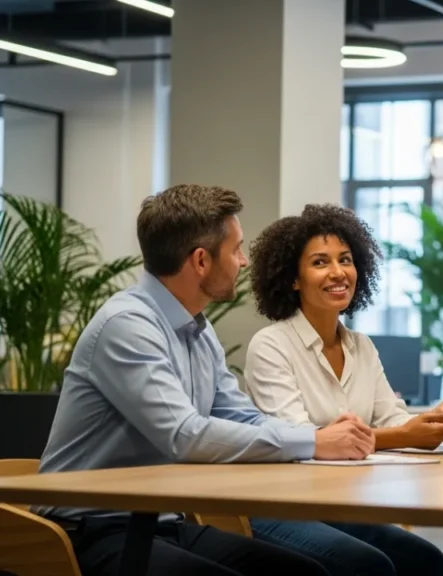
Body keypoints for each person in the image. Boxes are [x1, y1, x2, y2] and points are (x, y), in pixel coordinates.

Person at [34, 185, 380, 576]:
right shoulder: (127, 325)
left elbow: (241, 416)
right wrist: (315, 442)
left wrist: (317, 439)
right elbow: (184, 435)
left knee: (304, 572)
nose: (244, 261)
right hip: (90, 529)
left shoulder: (197, 329)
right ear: (201, 260)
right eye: (236, 250)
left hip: (161, 521)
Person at [243, 203, 443, 576]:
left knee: (428, 561)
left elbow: (392, 420)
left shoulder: (360, 346)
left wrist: (439, 417)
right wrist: (404, 435)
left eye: (345, 260)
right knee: (369, 566)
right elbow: (303, 442)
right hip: (283, 506)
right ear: (293, 279)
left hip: (341, 505)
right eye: (320, 262)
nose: (338, 272)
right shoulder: (271, 346)